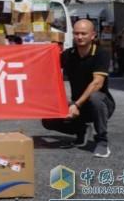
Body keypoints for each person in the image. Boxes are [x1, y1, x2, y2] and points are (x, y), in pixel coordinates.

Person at [42, 19, 115, 158]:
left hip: (101, 104)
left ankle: (102, 142)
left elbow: (97, 84)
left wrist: (76, 105)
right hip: (78, 105)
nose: (79, 37)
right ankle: (81, 130)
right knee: (48, 119)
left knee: (95, 97)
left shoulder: (101, 53)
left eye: (83, 33)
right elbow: (47, 65)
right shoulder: (68, 55)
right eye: (76, 33)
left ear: (93, 35)